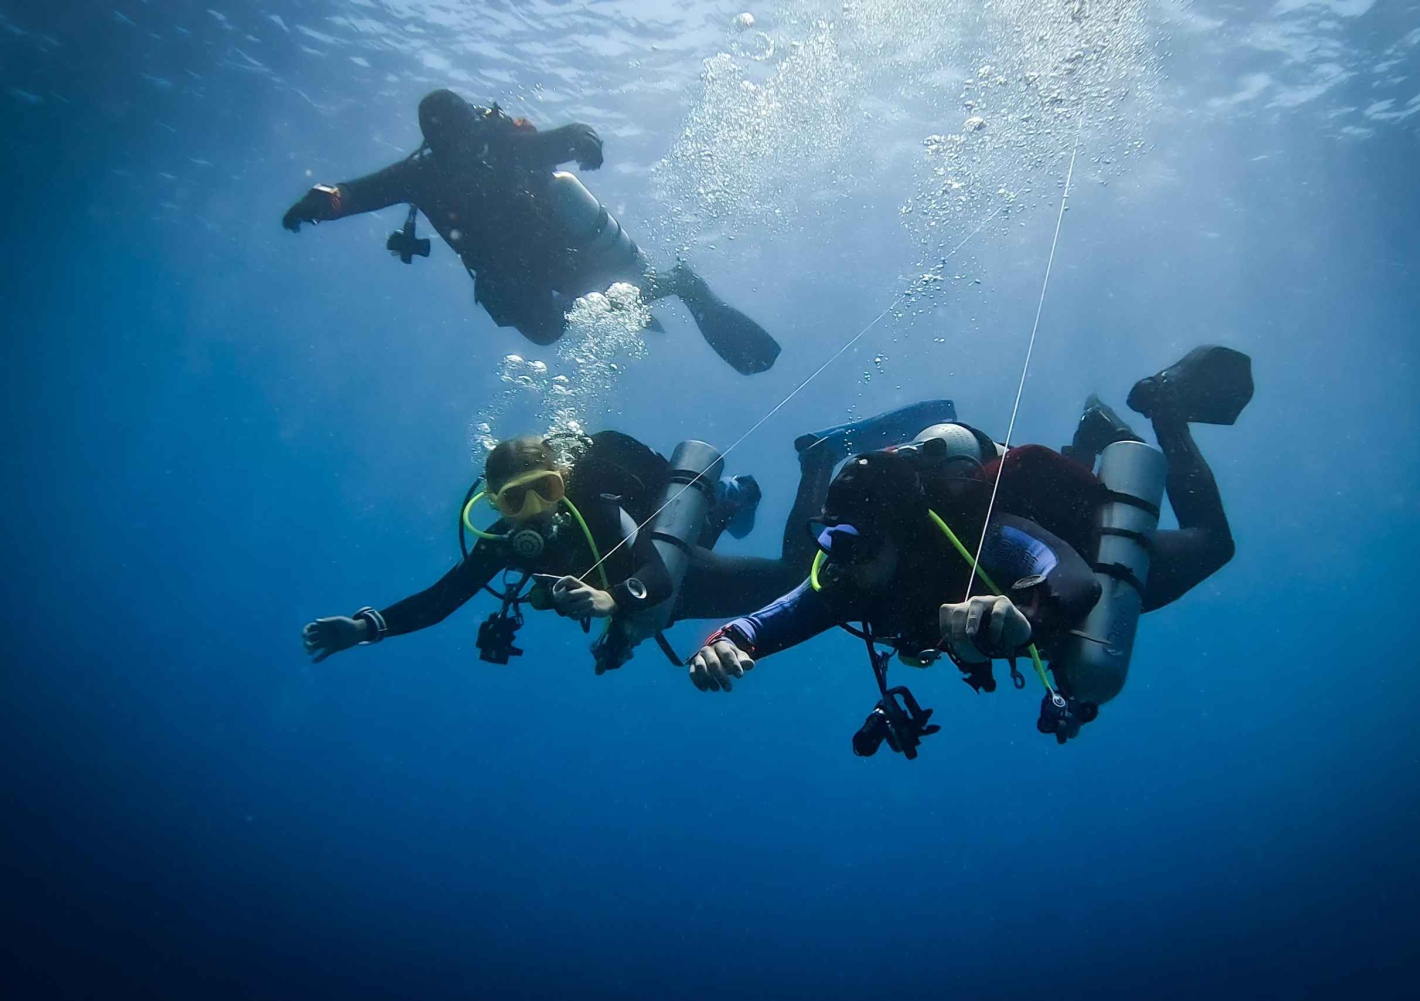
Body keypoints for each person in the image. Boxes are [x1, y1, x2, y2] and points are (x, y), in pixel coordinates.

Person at [686, 345, 1253, 749]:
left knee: (1212, 544)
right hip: (1019, 563)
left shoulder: (984, 535)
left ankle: (1168, 408)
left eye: (856, 544)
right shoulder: (848, 574)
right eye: (829, 538)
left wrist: (1023, 611)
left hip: (1070, 544)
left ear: (905, 537)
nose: (837, 559)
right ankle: (1087, 438)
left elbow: (1073, 579)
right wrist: (727, 642)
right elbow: (771, 621)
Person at [300, 400, 956, 672]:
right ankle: (730, 501)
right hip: (648, 595)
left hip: (675, 576)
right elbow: (441, 597)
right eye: (513, 499)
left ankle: (818, 458)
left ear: (563, 480)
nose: (531, 512)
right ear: (494, 504)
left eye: (543, 490)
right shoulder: (503, 542)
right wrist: (369, 625)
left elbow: (661, 575)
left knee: (797, 571)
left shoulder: (597, 499)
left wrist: (616, 604)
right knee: (731, 533)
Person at [281, 88, 780, 375]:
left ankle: (682, 283)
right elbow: (360, 192)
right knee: (548, 332)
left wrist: (587, 142)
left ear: (473, 129)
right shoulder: (420, 175)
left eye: (465, 138)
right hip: (504, 279)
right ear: (434, 143)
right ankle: (661, 291)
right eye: (448, 143)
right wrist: (322, 202)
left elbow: (564, 137)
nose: (461, 151)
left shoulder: (504, 146)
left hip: (560, 253)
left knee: (604, 304)